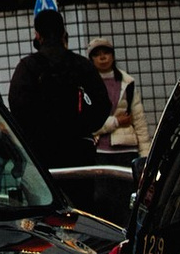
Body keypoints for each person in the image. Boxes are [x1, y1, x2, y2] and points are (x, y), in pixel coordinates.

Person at [6, 12, 111, 174]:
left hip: (40, 151)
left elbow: (18, 107)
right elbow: (103, 105)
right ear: (63, 34)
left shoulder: (27, 67)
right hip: (79, 149)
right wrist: (82, 126)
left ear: (38, 35)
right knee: (80, 197)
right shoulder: (81, 65)